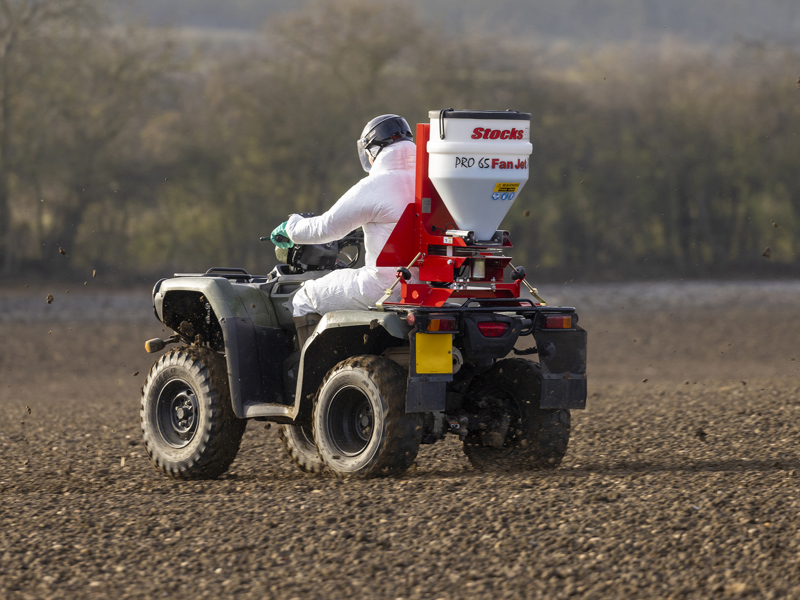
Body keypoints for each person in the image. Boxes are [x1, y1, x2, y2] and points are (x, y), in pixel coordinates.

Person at [270, 114, 416, 346]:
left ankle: (311, 373)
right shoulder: (432, 181)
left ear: (374, 150)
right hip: (428, 289)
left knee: (304, 297)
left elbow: (327, 227)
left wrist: (292, 227)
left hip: (384, 287)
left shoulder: (376, 185)